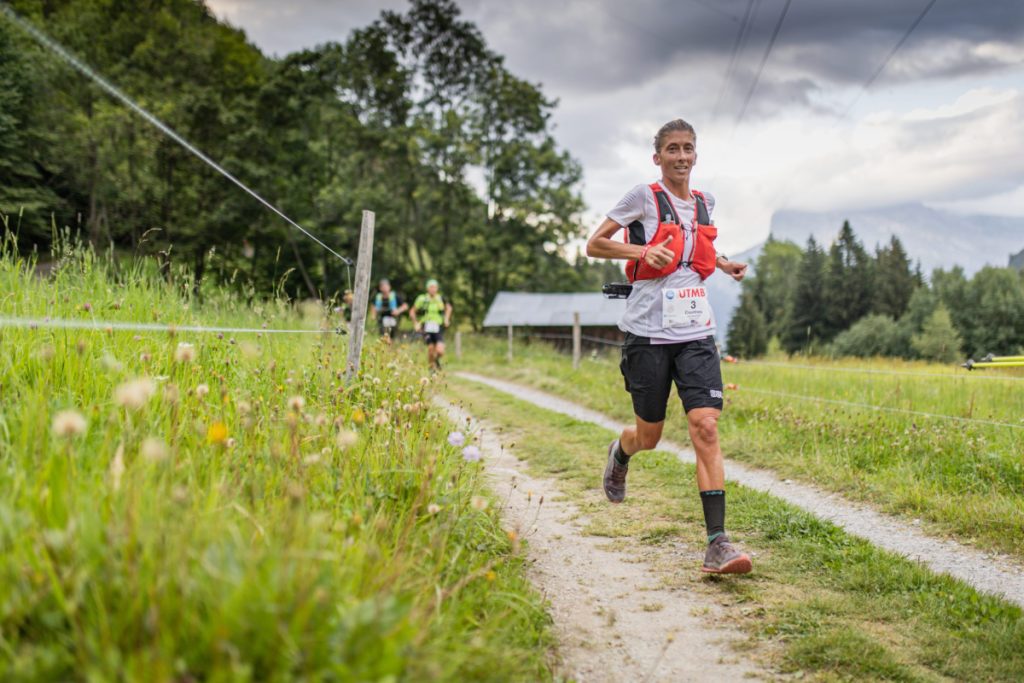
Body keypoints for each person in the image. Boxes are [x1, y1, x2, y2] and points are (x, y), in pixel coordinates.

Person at [585, 118, 752, 574]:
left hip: (696, 330)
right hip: (647, 333)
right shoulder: (642, 196)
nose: (681, 156)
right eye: (672, 149)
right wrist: (640, 253)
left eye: (688, 148)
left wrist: (723, 264)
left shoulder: (704, 202)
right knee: (650, 436)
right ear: (657, 157)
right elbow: (594, 245)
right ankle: (622, 451)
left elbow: (691, 252)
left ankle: (718, 543)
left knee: (706, 426)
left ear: (696, 155)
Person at [410, 279, 452, 371]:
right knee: (430, 348)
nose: (433, 289)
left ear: (437, 288)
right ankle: (431, 369)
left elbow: (449, 308)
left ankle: (436, 360)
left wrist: (446, 319)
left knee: (440, 351)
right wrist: (415, 323)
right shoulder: (422, 299)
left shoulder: (441, 298)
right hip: (426, 326)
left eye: (435, 287)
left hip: (438, 326)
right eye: (431, 287)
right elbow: (412, 311)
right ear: (427, 288)